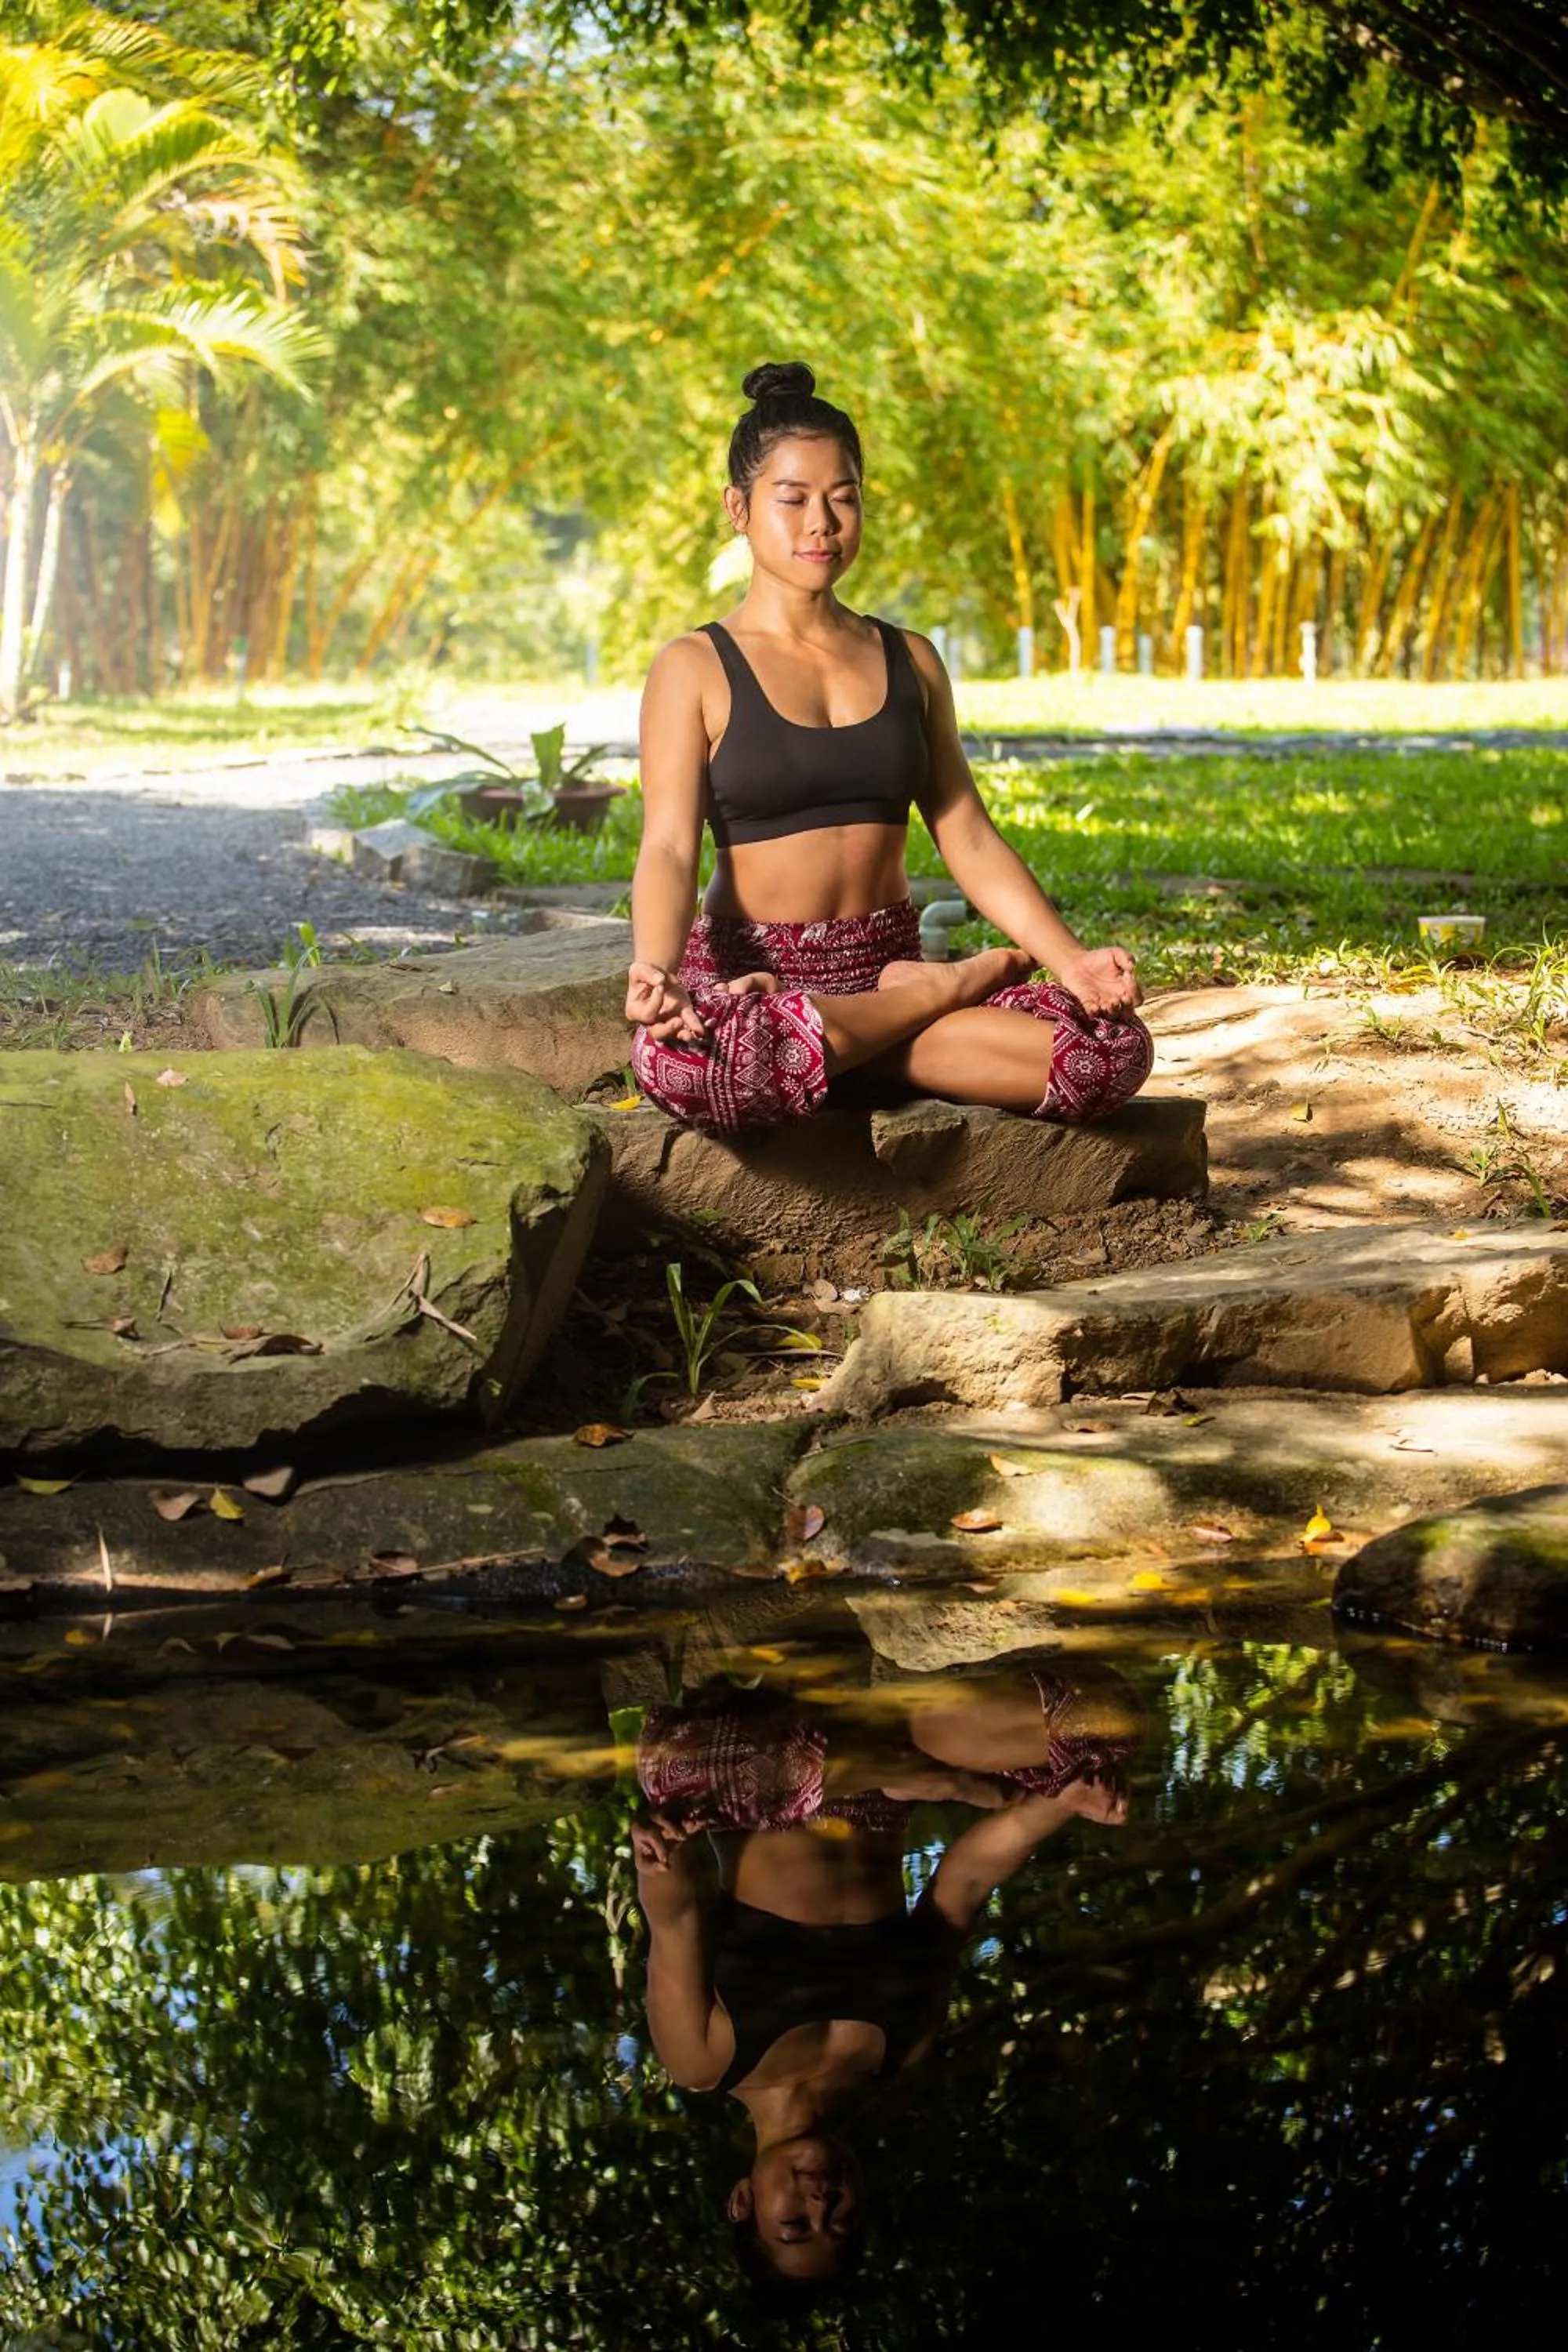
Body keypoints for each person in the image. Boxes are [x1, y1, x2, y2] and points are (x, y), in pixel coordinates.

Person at [625, 361, 1153, 1136]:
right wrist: (657, 972)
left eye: (843, 499)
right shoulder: (692, 667)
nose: (821, 523)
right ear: (737, 508)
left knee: (1108, 1054)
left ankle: (839, 1041)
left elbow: (965, 834)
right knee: (686, 1061)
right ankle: (939, 993)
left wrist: (1070, 959)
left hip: (877, 958)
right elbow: (668, 845)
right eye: (793, 499)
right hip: (753, 978)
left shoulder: (910, 658)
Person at [630, 1661, 1140, 2291]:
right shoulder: (898, 2048)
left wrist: (657, 1853)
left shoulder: (703, 2060)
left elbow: (675, 1917)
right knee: (1107, 1726)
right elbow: (963, 1885)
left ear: (744, 2203)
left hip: (761, 1771)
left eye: (794, 2225)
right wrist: (1061, 1804)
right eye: (840, 2221)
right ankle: (909, 1751)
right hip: (893, 1744)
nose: (821, 2203)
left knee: (672, 1773)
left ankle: (908, 1768)